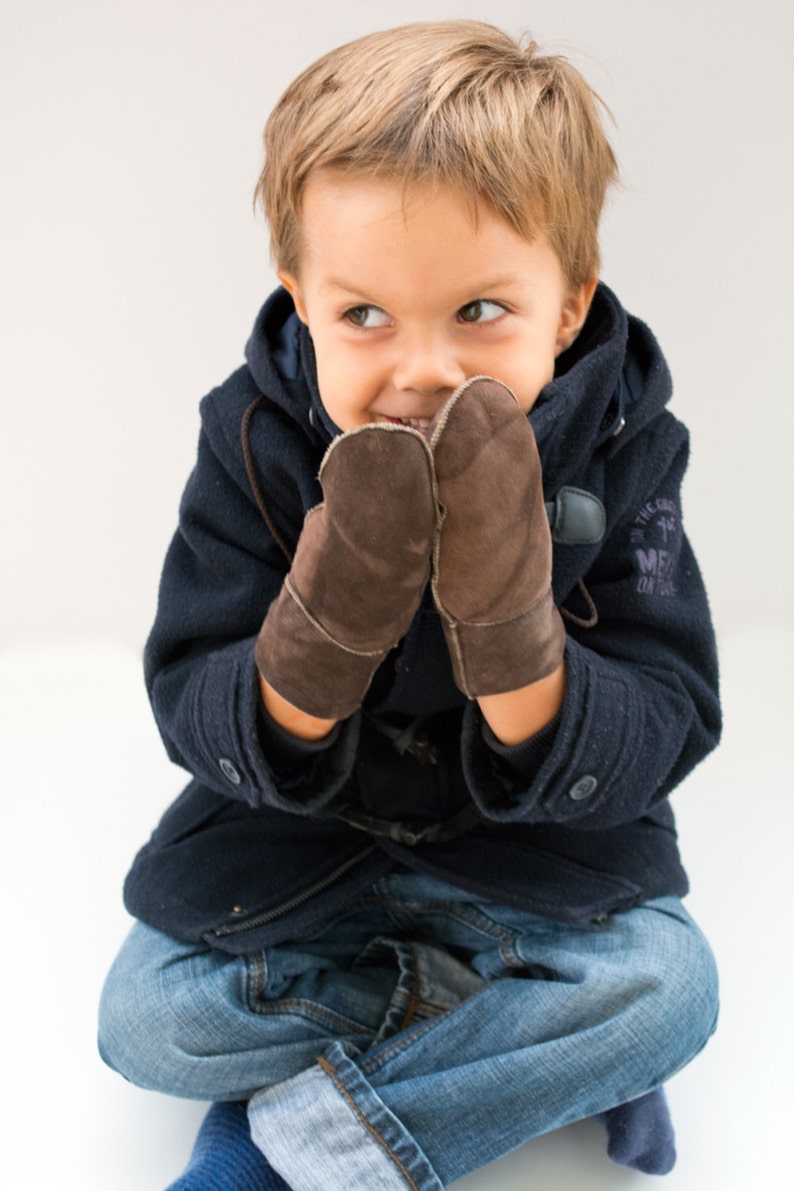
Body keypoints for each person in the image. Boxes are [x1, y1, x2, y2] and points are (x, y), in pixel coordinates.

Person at [98, 20, 721, 1190]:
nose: (421, 367)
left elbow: (671, 709)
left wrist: (510, 639)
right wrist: (320, 641)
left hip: (537, 863)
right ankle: (507, 1054)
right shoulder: (248, 436)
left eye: (480, 311)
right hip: (302, 853)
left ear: (569, 303)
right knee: (148, 1020)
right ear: (301, 296)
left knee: (664, 991)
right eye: (364, 316)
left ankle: (292, 1141)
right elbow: (187, 688)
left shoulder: (631, 446)